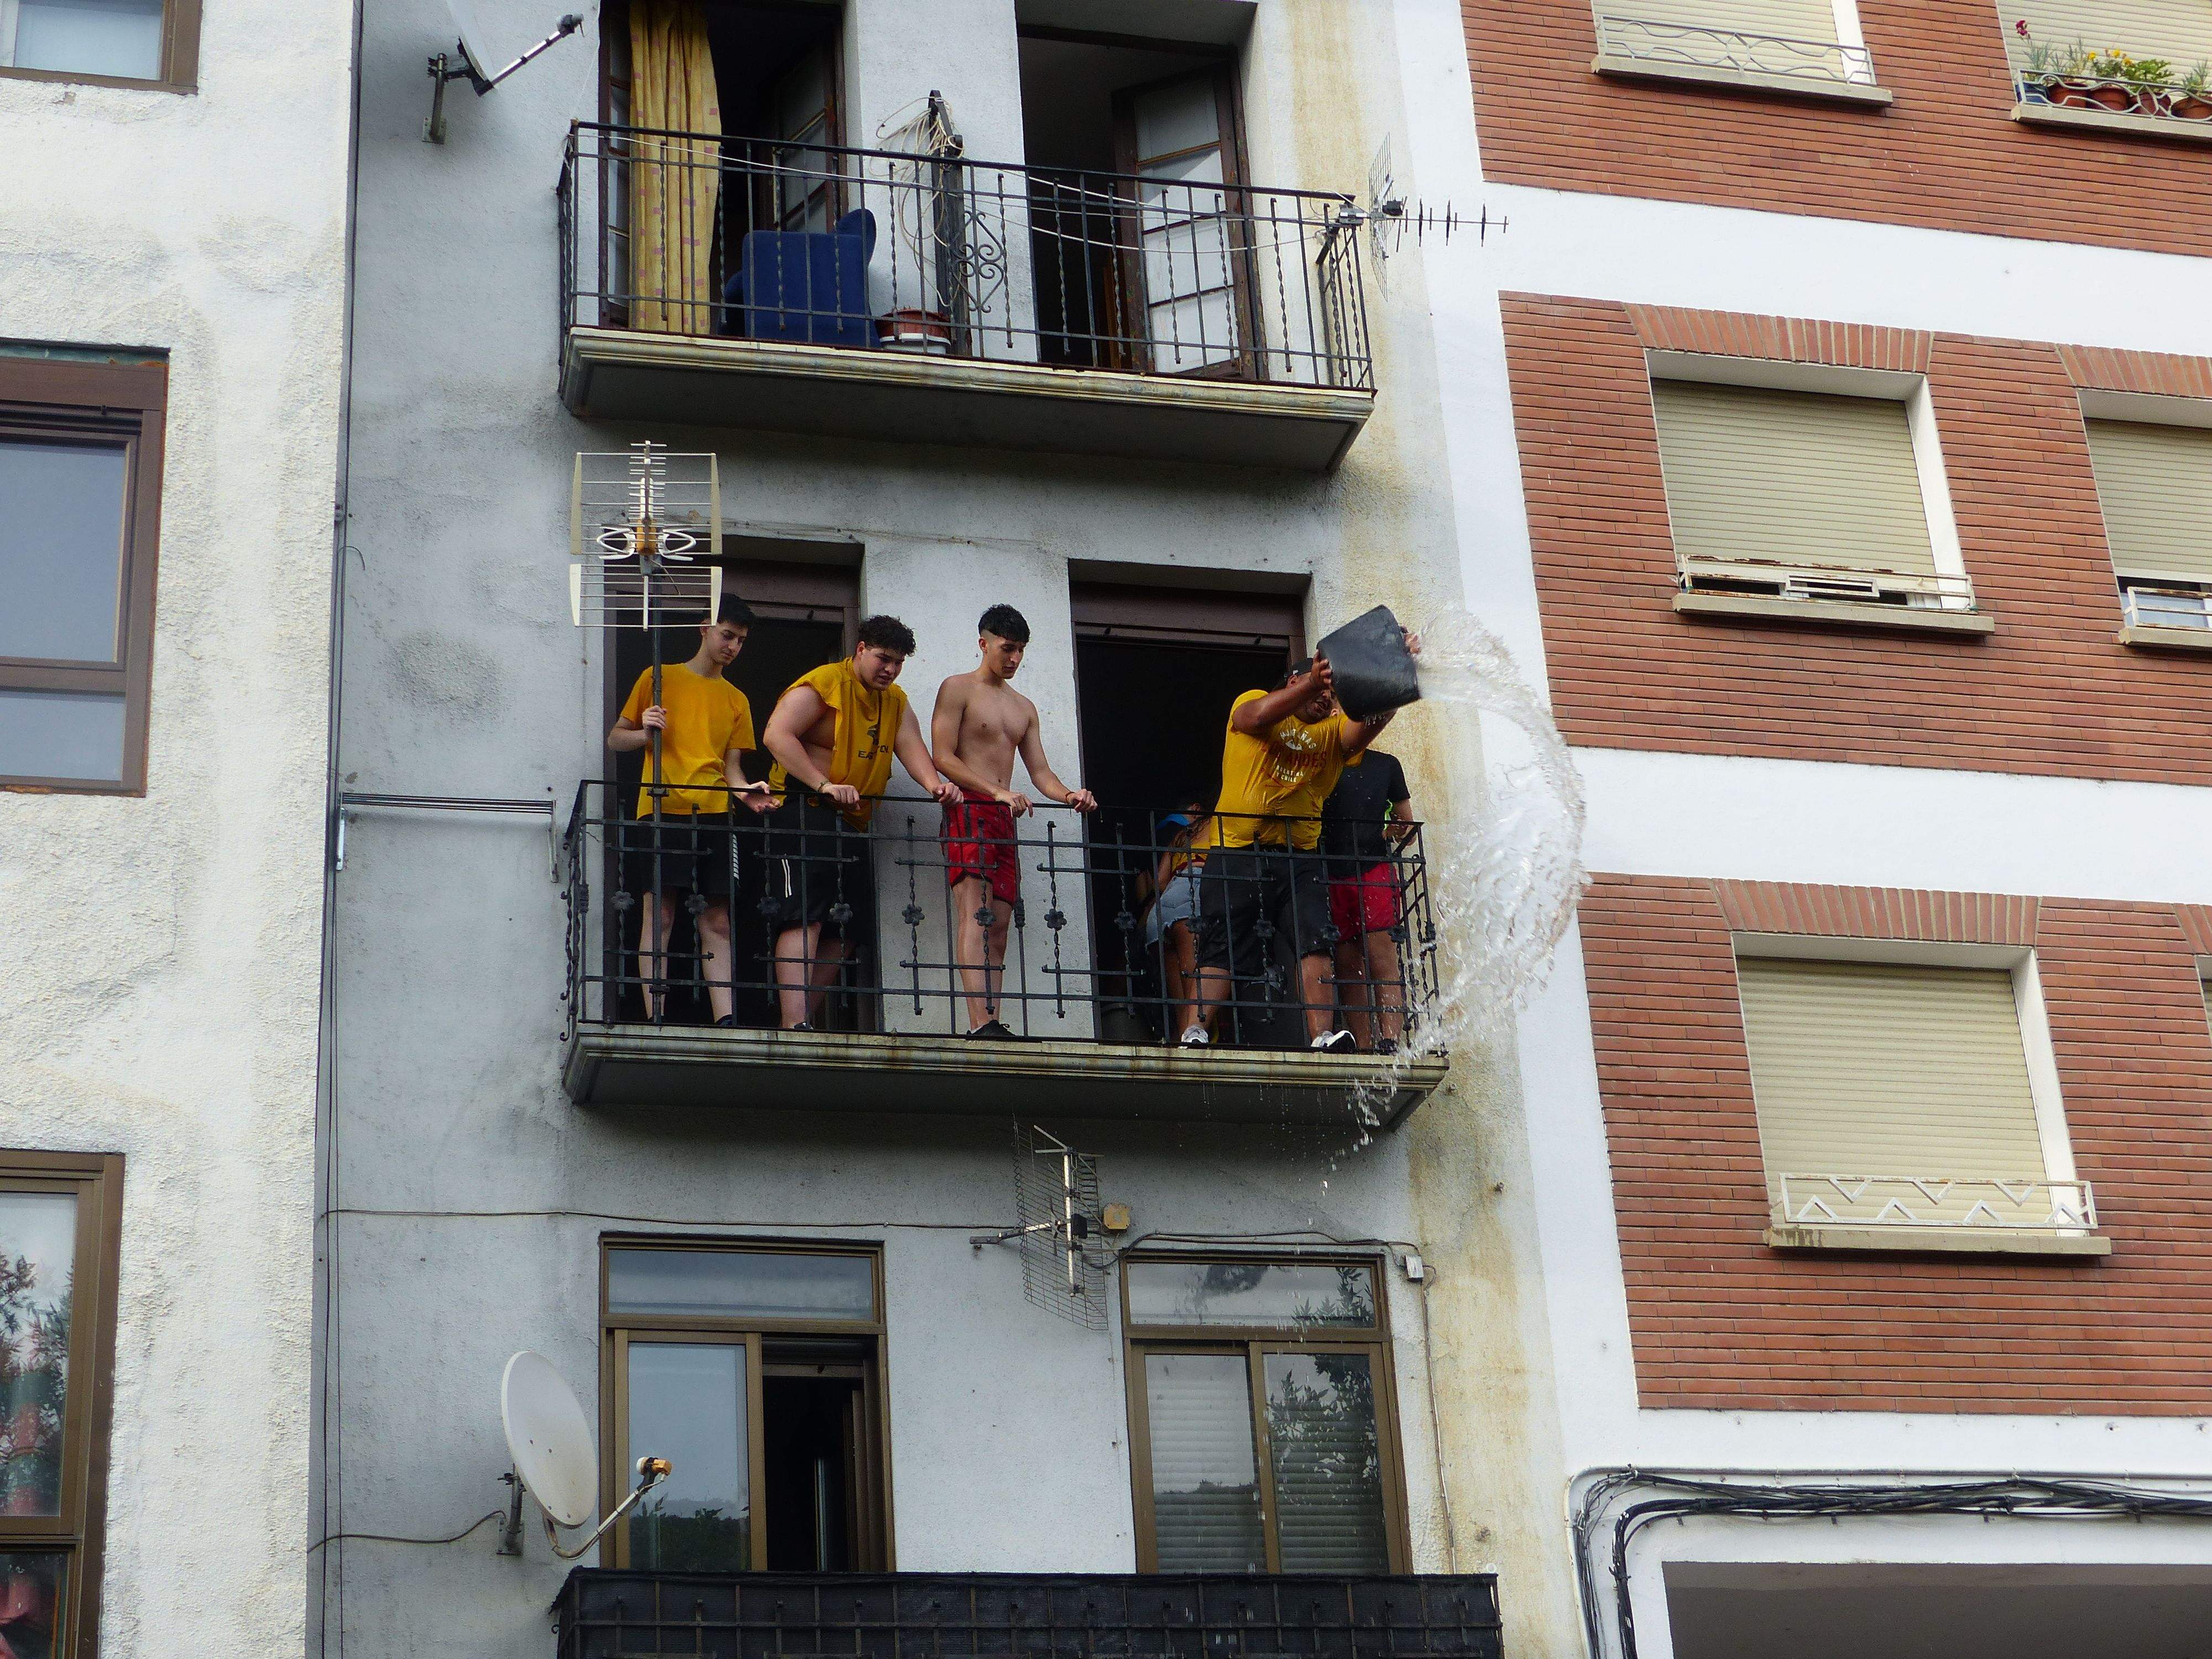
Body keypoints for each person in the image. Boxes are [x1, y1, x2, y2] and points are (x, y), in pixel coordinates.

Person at [1189, 632, 1416, 1053]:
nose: (1327, 699)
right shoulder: (1255, 699)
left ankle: (1322, 1036)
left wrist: (1396, 671)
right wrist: (1316, 680)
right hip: (1237, 848)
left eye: (1332, 695)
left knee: (1316, 941)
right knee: (1221, 944)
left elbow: (1367, 726)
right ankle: (1196, 1031)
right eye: (1320, 689)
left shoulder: (1331, 732)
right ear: (1294, 682)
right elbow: (1253, 718)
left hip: (1301, 855)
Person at [761, 615, 961, 1032]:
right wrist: (824, 784)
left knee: (847, 928)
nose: (890, 669)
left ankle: (799, 1021)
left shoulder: (895, 701)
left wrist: (936, 786)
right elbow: (776, 736)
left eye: (899, 662)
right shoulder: (826, 683)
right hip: (803, 807)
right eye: (884, 659)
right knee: (805, 914)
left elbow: (912, 749)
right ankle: (794, 1023)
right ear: (861, 649)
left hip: (852, 822)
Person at [928, 604, 1098, 1039]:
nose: (1015, 659)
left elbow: (1040, 772)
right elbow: (942, 757)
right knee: (977, 912)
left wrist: (1070, 794)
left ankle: (992, 1019)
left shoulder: (1024, 707)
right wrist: (995, 791)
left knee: (1000, 925)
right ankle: (979, 1023)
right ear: (984, 644)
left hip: (1004, 818)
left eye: (1021, 650)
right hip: (969, 808)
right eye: (1007, 648)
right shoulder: (957, 688)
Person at [604, 596, 775, 1026]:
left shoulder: (737, 699)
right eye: (727, 635)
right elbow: (616, 739)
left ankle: (726, 1017)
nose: (733, 647)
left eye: (741, 640)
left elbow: (731, 769)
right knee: (659, 914)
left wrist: (748, 793)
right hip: (662, 807)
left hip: (715, 810)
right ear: (705, 629)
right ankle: (656, 1015)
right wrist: (645, 733)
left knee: (717, 919)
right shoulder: (658, 678)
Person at [1321, 747, 1413, 1053]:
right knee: (1348, 963)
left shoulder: (1387, 764)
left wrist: (1392, 832)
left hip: (1371, 869)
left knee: (1379, 956)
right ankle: (1363, 1045)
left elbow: (1407, 825)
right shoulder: (1321, 760)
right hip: (1333, 873)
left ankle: (1389, 1041)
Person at [1139, 801, 1211, 1045]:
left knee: (1179, 999)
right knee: (1195, 984)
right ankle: (1195, 1040)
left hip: (1164, 906)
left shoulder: (1180, 836)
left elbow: (1160, 882)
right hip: (1192, 894)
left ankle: (1183, 1043)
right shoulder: (1220, 825)